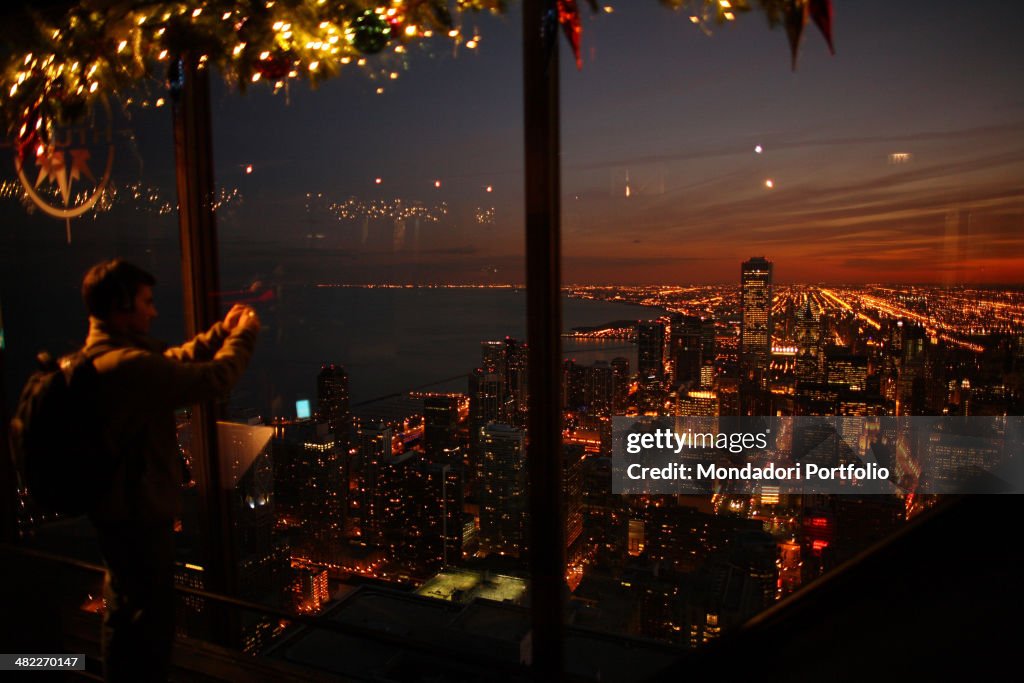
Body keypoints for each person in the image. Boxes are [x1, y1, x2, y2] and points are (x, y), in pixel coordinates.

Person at [80, 259, 260, 682]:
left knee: (125, 611)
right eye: (146, 302)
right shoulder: (129, 368)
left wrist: (221, 331)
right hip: (139, 520)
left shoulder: (102, 360)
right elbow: (215, 379)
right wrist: (246, 334)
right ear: (123, 305)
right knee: (144, 625)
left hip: (118, 516)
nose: (154, 311)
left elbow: (173, 360)